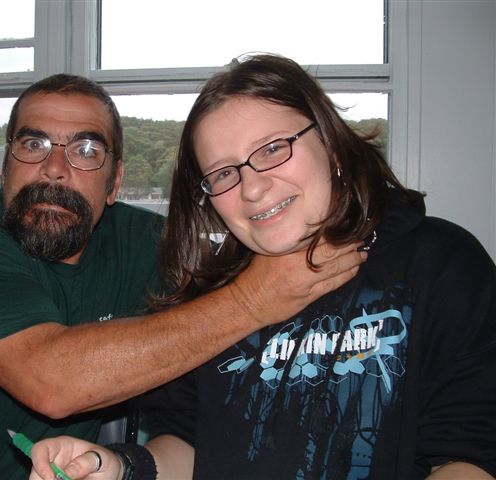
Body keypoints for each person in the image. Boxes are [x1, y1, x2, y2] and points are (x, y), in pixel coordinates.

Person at [0, 73, 365, 480]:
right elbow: (52, 383)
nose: (54, 168)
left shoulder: (148, 242)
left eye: (86, 150)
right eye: (33, 143)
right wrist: (255, 299)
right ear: (6, 166)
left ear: (114, 182)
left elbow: (248, 259)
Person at [28, 55, 496, 480]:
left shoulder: (440, 262)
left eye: (273, 149)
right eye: (223, 173)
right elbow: (186, 444)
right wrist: (119, 468)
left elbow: (470, 455)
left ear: (331, 144)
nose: (251, 189)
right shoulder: (207, 299)